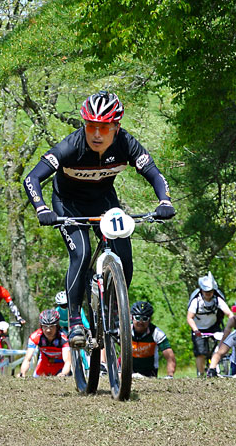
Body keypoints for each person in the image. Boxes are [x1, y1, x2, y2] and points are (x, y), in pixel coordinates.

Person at [23, 91, 176, 347]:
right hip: (68, 204)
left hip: (104, 201)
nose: (96, 134)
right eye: (91, 126)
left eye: (103, 128)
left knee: (124, 257)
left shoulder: (126, 144)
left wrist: (165, 202)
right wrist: (41, 209)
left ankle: (114, 312)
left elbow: (155, 174)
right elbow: (32, 178)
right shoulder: (71, 146)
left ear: (116, 127)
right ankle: (74, 321)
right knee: (81, 254)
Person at [186, 272, 233, 376]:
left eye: (210, 291)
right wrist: (195, 330)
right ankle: (201, 374)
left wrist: (231, 324)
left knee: (221, 348)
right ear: (202, 290)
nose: (208, 294)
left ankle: (215, 369)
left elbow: (229, 313)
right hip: (199, 329)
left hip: (214, 327)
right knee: (200, 352)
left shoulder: (217, 300)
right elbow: (189, 318)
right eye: (206, 292)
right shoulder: (196, 302)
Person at [18, 309, 71, 378]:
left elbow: (67, 362)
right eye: (45, 326)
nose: (48, 330)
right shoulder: (35, 336)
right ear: (41, 326)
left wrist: (63, 374)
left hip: (61, 365)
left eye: (52, 326)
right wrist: (22, 373)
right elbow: (27, 359)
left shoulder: (64, 338)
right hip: (44, 363)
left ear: (57, 326)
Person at [130, 301, 176, 378]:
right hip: (128, 371)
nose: (140, 322)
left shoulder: (157, 333)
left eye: (144, 319)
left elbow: (170, 357)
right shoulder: (124, 330)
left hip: (149, 373)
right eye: (137, 318)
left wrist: (170, 375)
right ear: (132, 318)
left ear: (150, 319)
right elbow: (106, 342)